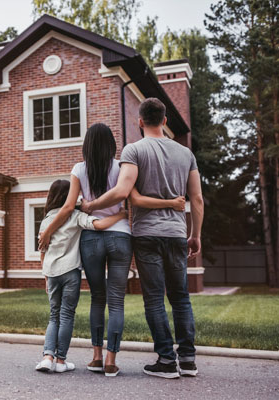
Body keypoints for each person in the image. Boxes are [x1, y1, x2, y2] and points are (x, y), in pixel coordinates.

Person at [38, 123, 184, 377]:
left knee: (97, 297)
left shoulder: (79, 169)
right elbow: (132, 197)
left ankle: (95, 357)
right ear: (112, 145)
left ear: (86, 145)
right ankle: (110, 361)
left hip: (91, 239)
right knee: (116, 301)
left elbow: (69, 207)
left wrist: (49, 230)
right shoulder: (121, 167)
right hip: (120, 236)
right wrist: (124, 213)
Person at [79, 98, 204, 379]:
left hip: (147, 234)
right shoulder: (186, 153)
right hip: (176, 234)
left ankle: (166, 360)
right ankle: (188, 360)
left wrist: (91, 205)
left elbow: (123, 192)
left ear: (140, 121)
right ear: (165, 120)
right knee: (181, 298)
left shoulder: (134, 150)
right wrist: (195, 234)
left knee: (155, 299)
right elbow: (196, 198)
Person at [35, 179, 128, 374]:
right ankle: (61, 361)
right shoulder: (76, 216)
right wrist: (120, 215)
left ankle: (47, 357)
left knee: (54, 316)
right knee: (66, 315)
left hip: (51, 273)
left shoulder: (46, 220)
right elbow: (99, 225)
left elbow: (42, 251)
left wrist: (45, 276)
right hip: (70, 272)